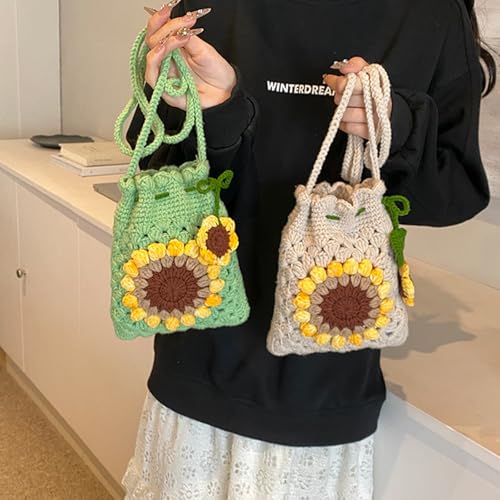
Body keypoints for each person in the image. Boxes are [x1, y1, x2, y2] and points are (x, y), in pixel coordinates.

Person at [122, 0, 495, 498]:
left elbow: (455, 189)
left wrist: (396, 127)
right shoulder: (214, 7)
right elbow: (155, 165)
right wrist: (217, 114)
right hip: (198, 353)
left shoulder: (429, 14)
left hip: (326, 374)